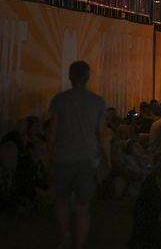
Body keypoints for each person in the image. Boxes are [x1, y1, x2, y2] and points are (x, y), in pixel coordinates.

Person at [47, 61, 108, 249]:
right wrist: (106, 158)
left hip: (63, 157)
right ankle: (78, 245)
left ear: (69, 76)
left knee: (62, 199)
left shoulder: (59, 100)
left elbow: (53, 132)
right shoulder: (97, 101)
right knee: (83, 206)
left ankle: (65, 235)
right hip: (87, 159)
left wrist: (49, 156)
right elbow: (102, 134)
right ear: (87, 77)